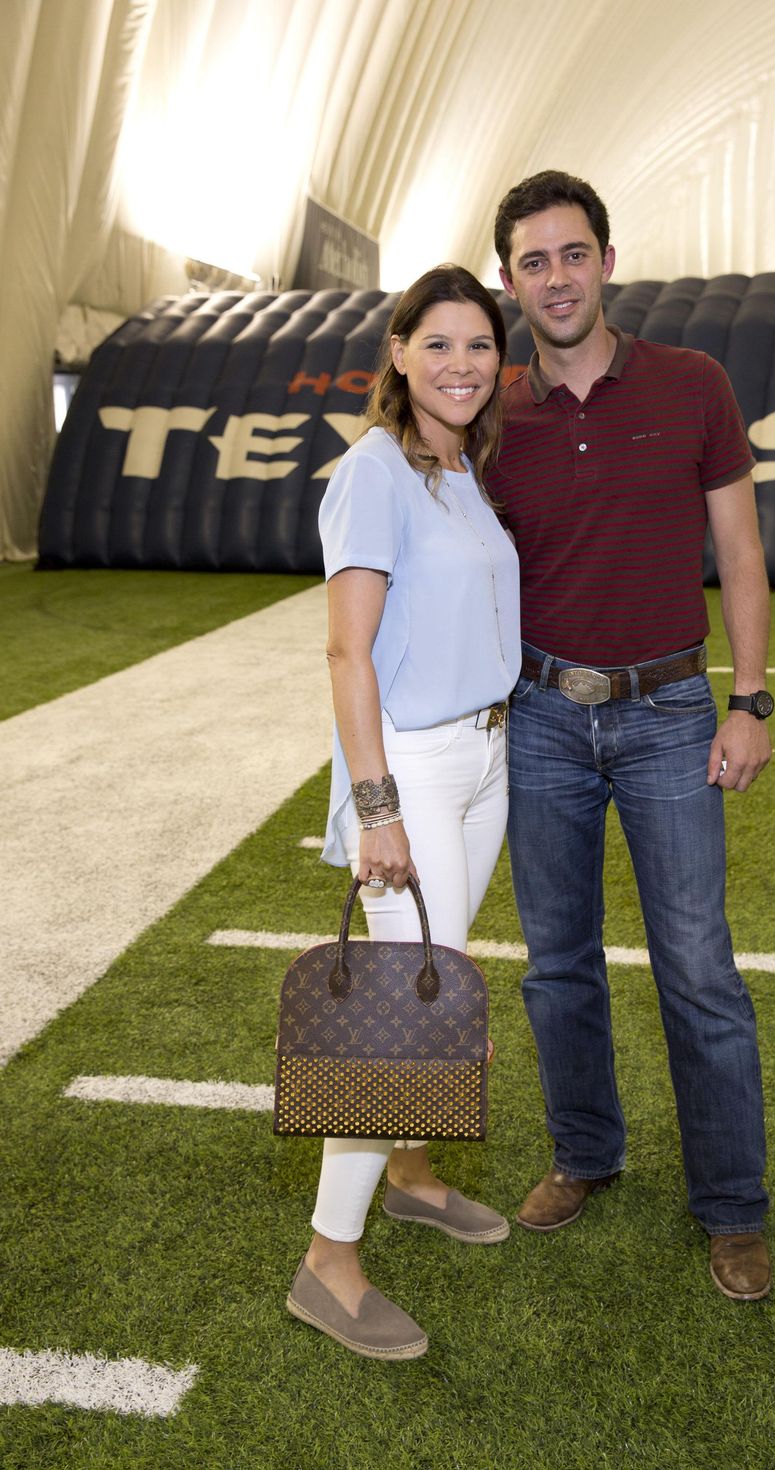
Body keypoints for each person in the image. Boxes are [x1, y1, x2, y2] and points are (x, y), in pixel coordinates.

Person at [486, 171, 773, 1302]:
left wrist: (749, 700)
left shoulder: (693, 383)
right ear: (510, 280)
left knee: (697, 969)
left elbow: (739, 553)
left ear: (607, 261)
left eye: (573, 254)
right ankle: (584, 1153)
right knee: (556, 965)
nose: (555, 278)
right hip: (540, 718)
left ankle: (732, 1207)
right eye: (533, 262)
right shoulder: (489, 412)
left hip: (669, 717)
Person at [286, 265, 521, 1360]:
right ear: (396, 351)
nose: (460, 365)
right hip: (413, 771)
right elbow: (347, 652)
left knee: (435, 989)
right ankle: (327, 1262)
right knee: (408, 1019)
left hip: (483, 758)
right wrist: (375, 810)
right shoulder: (373, 471)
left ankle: (411, 1174)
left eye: (478, 345)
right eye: (438, 344)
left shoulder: (459, 466)